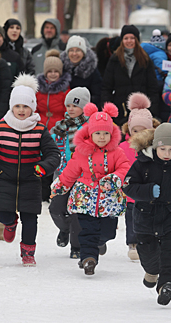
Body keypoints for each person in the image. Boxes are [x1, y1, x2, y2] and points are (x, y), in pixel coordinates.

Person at [0, 74, 60, 267]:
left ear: (32, 108)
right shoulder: (2, 127)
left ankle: (28, 252)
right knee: (1, 212)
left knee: (30, 219)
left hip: (31, 180)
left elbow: (53, 154)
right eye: (17, 106)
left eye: (25, 106)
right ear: (11, 107)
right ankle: (9, 223)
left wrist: (43, 167)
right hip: (4, 179)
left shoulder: (39, 129)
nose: (21, 110)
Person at [122, 123, 171, 306]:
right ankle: (151, 271)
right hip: (145, 216)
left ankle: (167, 284)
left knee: (170, 253)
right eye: (162, 148)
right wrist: (147, 191)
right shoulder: (142, 164)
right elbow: (128, 186)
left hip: (170, 216)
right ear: (155, 146)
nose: (167, 153)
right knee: (148, 253)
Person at [51, 102, 130, 275]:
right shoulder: (82, 152)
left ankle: (100, 242)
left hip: (108, 198)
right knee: (87, 230)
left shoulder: (116, 152)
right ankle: (88, 259)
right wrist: (61, 185)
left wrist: (115, 177)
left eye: (106, 133)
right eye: (97, 133)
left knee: (108, 232)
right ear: (90, 134)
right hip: (85, 197)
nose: (102, 137)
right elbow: (71, 171)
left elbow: (124, 167)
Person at [49, 87, 90, 259]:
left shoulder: (90, 127)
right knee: (55, 208)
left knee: (76, 212)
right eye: (68, 106)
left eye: (76, 105)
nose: (71, 109)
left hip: (82, 176)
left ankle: (76, 246)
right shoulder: (60, 128)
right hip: (62, 174)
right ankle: (64, 229)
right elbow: (49, 146)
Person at [119, 92, 160, 261]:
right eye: (135, 130)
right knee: (132, 217)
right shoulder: (122, 146)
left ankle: (151, 242)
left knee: (151, 217)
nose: (138, 134)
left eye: (142, 131)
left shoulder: (157, 148)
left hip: (150, 192)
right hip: (130, 192)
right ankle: (133, 243)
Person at [101, 25, 160, 125]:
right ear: (122, 40)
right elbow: (106, 87)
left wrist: (151, 110)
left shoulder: (145, 59)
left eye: (132, 38)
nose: (129, 41)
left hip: (141, 112)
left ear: (137, 40)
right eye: (126, 38)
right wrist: (108, 110)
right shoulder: (115, 59)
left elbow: (153, 88)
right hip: (120, 111)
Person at [60, 35, 103, 106]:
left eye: (78, 50)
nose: (74, 54)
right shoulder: (61, 68)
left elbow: (97, 94)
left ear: (83, 53)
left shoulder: (91, 70)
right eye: (71, 50)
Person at [36, 49, 71, 131]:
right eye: (49, 71)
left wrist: (63, 126)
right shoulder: (39, 90)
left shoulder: (65, 91)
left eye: (56, 71)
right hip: (40, 127)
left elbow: (67, 113)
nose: (53, 74)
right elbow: (35, 109)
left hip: (58, 128)